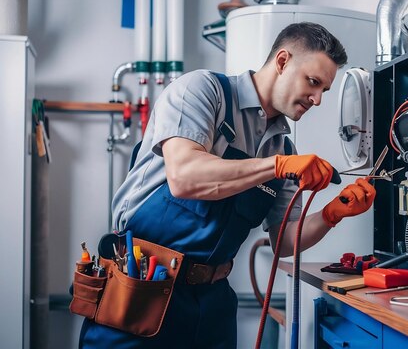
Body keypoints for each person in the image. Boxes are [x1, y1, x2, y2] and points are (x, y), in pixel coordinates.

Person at [78, 22, 376, 348]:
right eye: (313, 82)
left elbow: (283, 240)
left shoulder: (282, 147)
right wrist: (274, 168)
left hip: (213, 303)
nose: (318, 99)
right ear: (282, 61)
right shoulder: (203, 91)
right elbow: (184, 177)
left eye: (324, 91)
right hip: (142, 289)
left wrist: (332, 213)